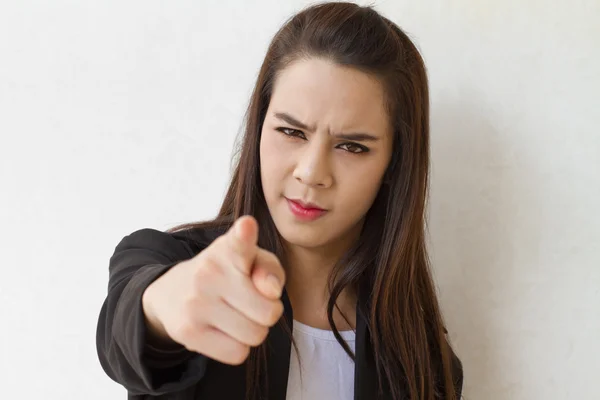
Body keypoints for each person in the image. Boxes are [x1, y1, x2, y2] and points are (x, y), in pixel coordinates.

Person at [96, 2, 464, 399]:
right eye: (291, 132)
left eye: (352, 146)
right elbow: (128, 326)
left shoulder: (422, 360)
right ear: (259, 127)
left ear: (394, 164)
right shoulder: (172, 262)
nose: (311, 172)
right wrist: (163, 306)